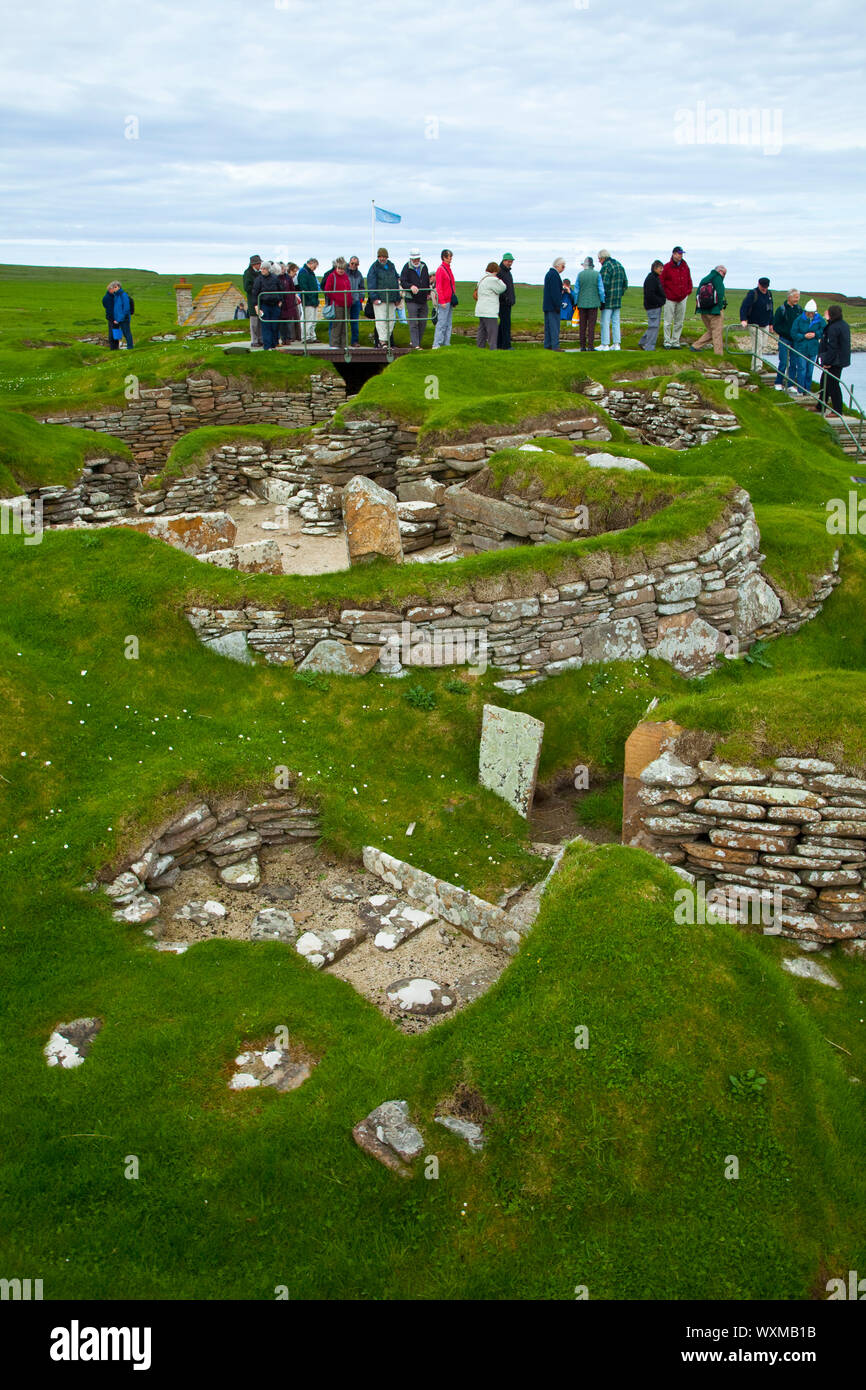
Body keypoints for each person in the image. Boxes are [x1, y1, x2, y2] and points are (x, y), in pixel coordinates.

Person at [818, 305, 851, 416]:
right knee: (824, 381)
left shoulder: (833, 328)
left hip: (834, 361)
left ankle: (837, 410)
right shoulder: (844, 325)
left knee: (833, 384)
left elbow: (832, 347)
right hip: (841, 359)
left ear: (831, 314)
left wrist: (827, 362)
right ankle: (820, 405)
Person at [367, 247, 402, 349]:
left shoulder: (391, 266)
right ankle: (382, 342)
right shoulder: (374, 267)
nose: (382, 258)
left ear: (387, 257)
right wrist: (374, 297)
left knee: (391, 320)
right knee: (381, 320)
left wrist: (397, 298)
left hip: (391, 298)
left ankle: (387, 340)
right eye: (380, 256)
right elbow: (371, 283)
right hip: (380, 299)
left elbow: (395, 281)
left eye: (384, 256)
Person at [659, 246, 693, 349]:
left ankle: (675, 341)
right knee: (668, 321)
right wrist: (665, 294)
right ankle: (667, 341)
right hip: (670, 298)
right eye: (678, 253)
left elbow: (689, 280)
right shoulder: (667, 267)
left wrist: (688, 291)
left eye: (681, 253)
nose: (680, 255)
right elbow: (661, 282)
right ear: (673, 254)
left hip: (682, 298)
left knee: (679, 321)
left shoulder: (685, 267)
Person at [690, 265, 727, 355]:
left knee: (711, 331)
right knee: (717, 332)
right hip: (714, 311)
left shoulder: (704, 279)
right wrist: (719, 308)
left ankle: (695, 346)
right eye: (724, 273)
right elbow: (720, 293)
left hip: (703, 310)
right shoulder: (718, 279)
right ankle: (718, 354)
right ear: (720, 271)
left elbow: (697, 294)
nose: (724, 275)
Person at [739, 277, 774, 373]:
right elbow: (744, 306)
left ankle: (758, 365)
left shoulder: (769, 294)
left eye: (766, 287)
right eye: (763, 287)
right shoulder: (753, 294)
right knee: (757, 345)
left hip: (765, 324)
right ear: (759, 284)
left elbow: (770, 309)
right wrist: (743, 319)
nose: (764, 289)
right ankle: (756, 367)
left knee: (763, 345)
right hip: (754, 324)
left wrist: (771, 323)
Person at [791, 299, 824, 396]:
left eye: (812, 313)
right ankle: (801, 390)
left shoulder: (819, 319)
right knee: (802, 369)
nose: (811, 315)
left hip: (813, 349)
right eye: (809, 313)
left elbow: (824, 330)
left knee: (810, 370)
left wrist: (815, 334)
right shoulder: (798, 320)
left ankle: (807, 390)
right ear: (805, 311)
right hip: (801, 348)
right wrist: (803, 336)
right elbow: (793, 333)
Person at [400, 249, 431, 349]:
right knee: (413, 323)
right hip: (411, 300)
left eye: (418, 258)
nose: (416, 261)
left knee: (423, 322)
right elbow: (403, 282)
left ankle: (415, 342)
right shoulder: (406, 267)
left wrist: (428, 293)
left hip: (423, 299)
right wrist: (410, 287)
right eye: (414, 259)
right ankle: (415, 345)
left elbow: (426, 281)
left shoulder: (424, 266)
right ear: (411, 259)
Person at [771, 288, 801, 392]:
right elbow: (776, 325)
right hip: (784, 339)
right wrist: (785, 334)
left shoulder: (799, 309)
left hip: (795, 340)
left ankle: (790, 384)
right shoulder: (781, 310)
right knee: (783, 362)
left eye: (798, 297)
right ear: (789, 297)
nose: (797, 299)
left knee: (794, 362)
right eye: (796, 297)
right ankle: (778, 382)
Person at [598, 249, 628, 350]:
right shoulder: (619, 265)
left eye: (599, 259)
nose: (599, 261)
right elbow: (625, 283)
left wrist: (601, 299)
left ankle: (605, 344)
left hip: (608, 299)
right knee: (616, 322)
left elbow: (603, 284)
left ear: (603, 258)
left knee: (605, 322)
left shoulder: (606, 267)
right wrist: (620, 293)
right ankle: (616, 344)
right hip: (617, 299)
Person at [252, 261, 284, 350]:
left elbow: (281, 290)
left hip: (275, 305)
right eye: (261, 268)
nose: (262, 270)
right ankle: (267, 346)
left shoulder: (275, 278)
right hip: (264, 305)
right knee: (266, 326)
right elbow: (255, 293)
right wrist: (256, 306)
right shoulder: (258, 280)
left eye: (264, 268)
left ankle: (274, 345)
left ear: (269, 269)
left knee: (275, 326)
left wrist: (281, 300)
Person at [575, 256, 604, 351]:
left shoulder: (580, 275)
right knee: (591, 325)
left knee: (582, 325)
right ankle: (590, 346)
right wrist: (602, 301)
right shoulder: (597, 274)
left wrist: (575, 302)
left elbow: (576, 291)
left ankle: (582, 346)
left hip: (582, 304)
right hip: (593, 303)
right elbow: (601, 290)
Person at [322, 257, 351, 352]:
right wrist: (336, 298)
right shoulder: (332, 276)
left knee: (345, 325)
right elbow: (327, 290)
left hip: (346, 304)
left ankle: (344, 343)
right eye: (339, 268)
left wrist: (349, 300)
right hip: (337, 304)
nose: (341, 270)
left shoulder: (346, 276)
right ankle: (334, 344)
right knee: (337, 324)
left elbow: (349, 290)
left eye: (342, 268)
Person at [474, 261, 506, 348]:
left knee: (482, 331)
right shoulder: (492, 279)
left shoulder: (482, 278)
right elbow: (503, 287)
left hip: (481, 309)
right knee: (492, 332)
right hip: (490, 310)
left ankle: (480, 348)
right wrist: (498, 279)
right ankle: (493, 348)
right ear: (495, 270)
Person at [432, 249, 457, 349]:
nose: (450, 258)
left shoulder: (448, 269)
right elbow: (439, 287)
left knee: (448, 323)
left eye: (451, 256)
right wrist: (441, 301)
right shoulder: (440, 270)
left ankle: (446, 343)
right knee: (441, 323)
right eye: (449, 256)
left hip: (449, 300)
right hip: (444, 301)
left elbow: (451, 284)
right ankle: (436, 344)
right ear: (444, 257)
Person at [639, 261, 666, 350]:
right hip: (653, 306)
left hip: (654, 306)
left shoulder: (655, 277)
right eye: (660, 268)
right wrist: (659, 302)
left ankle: (643, 342)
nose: (662, 270)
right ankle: (649, 347)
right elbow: (650, 294)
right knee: (654, 326)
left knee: (653, 326)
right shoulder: (651, 278)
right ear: (655, 268)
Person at [542, 259, 566, 349]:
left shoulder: (549, 274)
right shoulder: (554, 275)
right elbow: (555, 293)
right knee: (554, 327)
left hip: (547, 306)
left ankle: (548, 345)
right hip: (553, 307)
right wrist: (558, 305)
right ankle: (555, 346)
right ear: (557, 265)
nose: (563, 269)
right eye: (563, 266)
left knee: (548, 328)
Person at [297, 258, 321, 343]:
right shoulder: (303, 272)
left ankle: (312, 336)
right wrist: (311, 297)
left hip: (313, 299)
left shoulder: (310, 272)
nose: (315, 268)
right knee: (308, 319)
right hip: (308, 301)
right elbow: (304, 287)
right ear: (311, 263)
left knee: (313, 320)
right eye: (315, 266)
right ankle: (306, 337)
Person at [243, 255, 263, 347]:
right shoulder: (247, 273)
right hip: (252, 300)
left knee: (260, 321)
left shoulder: (259, 273)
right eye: (259, 263)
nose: (260, 265)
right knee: (254, 322)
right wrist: (256, 288)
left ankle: (260, 339)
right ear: (254, 264)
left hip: (260, 300)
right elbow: (247, 287)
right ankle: (254, 340)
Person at [278, 262, 301, 343]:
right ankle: (283, 338)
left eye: (284, 268)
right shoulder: (277, 278)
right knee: (282, 322)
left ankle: (289, 338)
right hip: (281, 303)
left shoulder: (288, 278)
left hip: (288, 302)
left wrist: (291, 298)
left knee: (288, 321)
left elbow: (292, 289)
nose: (283, 269)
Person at [497, 253, 516, 349]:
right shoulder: (500, 272)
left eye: (511, 261)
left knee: (503, 324)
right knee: (506, 324)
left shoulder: (508, 272)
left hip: (508, 302)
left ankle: (499, 344)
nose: (510, 263)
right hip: (502, 303)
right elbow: (499, 288)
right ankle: (506, 345)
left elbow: (510, 288)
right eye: (509, 261)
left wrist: (512, 298)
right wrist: (506, 298)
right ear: (504, 261)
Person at [347, 256, 365, 346]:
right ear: (349, 263)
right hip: (345, 301)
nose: (354, 265)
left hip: (356, 301)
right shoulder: (345, 273)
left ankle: (354, 341)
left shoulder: (359, 274)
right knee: (343, 322)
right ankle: (343, 341)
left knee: (355, 322)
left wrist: (361, 298)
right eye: (352, 263)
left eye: (356, 264)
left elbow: (362, 287)